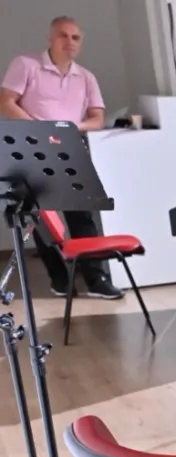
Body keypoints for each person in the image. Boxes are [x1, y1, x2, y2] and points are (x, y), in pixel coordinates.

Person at [0, 16, 122, 300]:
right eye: (63, 36)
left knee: (82, 216)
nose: (69, 42)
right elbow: (6, 102)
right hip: (32, 150)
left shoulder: (86, 77)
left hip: (70, 150)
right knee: (42, 219)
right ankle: (60, 279)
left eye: (75, 37)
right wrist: (41, 130)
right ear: (50, 38)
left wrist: (69, 129)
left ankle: (96, 279)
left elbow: (97, 117)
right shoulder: (26, 65)